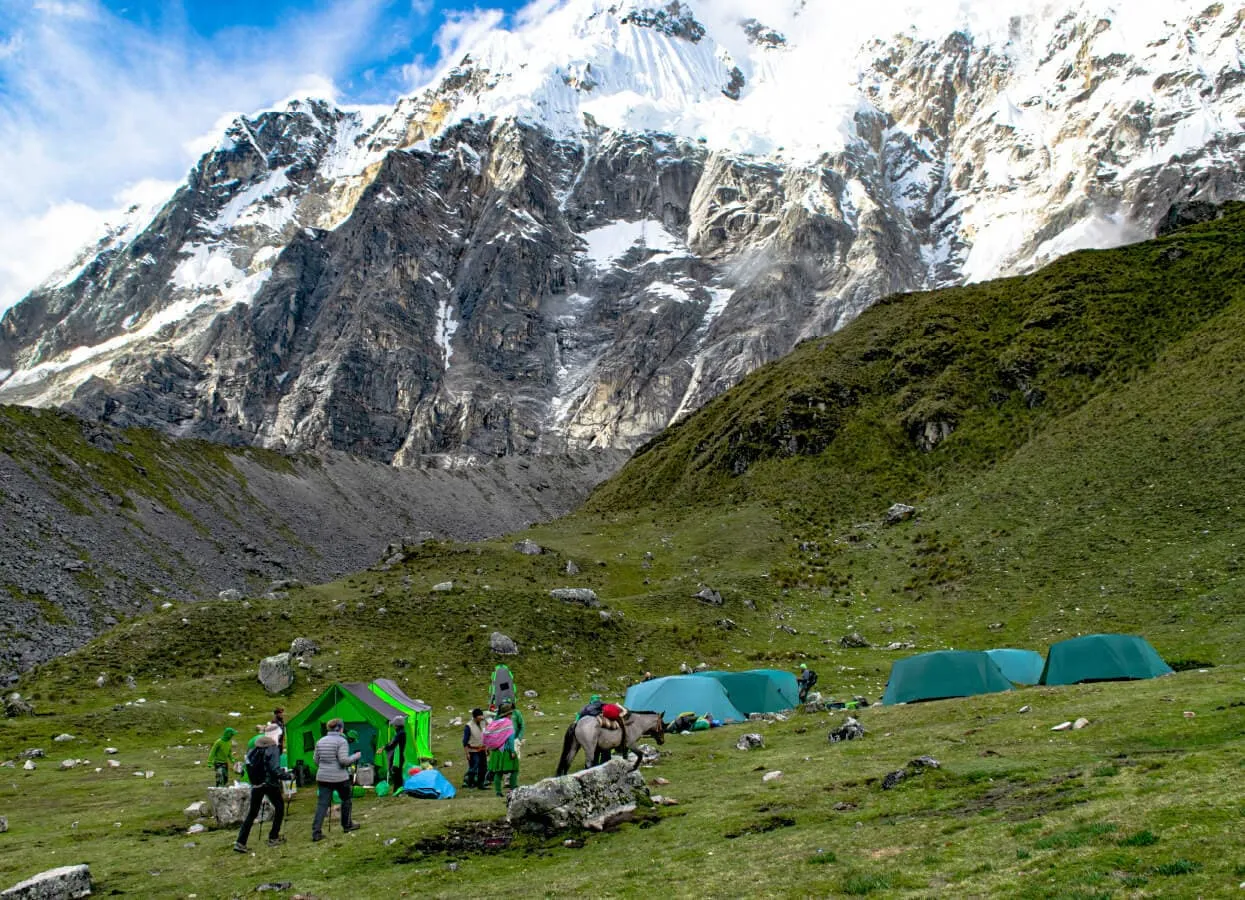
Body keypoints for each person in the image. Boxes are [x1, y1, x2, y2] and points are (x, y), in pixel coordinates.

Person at [311, 719, 361, 842]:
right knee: (346, 800)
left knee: (322, 805)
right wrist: (356, 756)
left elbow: (315, 760)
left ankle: (316, 833)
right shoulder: (341, 741)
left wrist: (325, 766)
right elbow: (344, 761)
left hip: (322, 776)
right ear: (340, 729)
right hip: (339, 777)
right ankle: (347, 825)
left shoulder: (320, 741)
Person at [233, 732, 284, 852]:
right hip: (270, 784)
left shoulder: (251, 753)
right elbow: (274, 769)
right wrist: (287, 776)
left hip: (256, 786)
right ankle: (273, 837)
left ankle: (240, 842)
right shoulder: (272, 750)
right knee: (279, 808)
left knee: (252, 813)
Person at [488, 701, 525, 797]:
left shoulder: (496, 722)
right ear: (508, 713)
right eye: (511, 713)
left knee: (498, 772)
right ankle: (512, 789)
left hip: (496, 751)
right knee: (514, 769)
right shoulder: (508, 723)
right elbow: (510, 738)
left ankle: (498, 792)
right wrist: (512, 751)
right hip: (507, 750)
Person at [462, 708, 487, 790]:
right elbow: (465, 741)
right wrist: (467, 753)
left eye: (482, 715)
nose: (482, 717)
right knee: (474, 767)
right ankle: (470, 783)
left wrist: (487, 748)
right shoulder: (468, 726)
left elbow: (485, 735)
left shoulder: (483, 723)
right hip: (473, 750)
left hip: (482, 749)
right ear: (475, 717)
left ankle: (481, 784)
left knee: (483, 767)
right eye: (480, 716)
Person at [382, 715, 407, 791]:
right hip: (399, 757)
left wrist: (385, 747)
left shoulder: (400, 734)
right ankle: (398, 790)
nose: (393, 726)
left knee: (397, 774)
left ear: (397, 725)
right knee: (398, 774)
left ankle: (397, 790)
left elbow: (393, 744)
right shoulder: (401, 733)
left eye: (394, 725)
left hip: (397, 758)